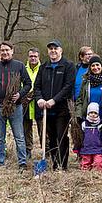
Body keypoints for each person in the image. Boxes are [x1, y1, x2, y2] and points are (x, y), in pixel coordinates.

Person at [0, 41, 31, 169]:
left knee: (19, 136)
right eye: (2, 50)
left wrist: (20, 94)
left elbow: (28, 84)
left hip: (15, 106)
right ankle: (0, 161)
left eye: (7, 50)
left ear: (12, 51)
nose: (4, 52)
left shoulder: (19, 66)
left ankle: (22, 162)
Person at [34, 40, 75, 170]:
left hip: (61, 109)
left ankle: (63, 165)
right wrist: (40, 99)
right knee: (50, 138)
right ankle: (54, 163)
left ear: (61, 50)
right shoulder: (44, 67)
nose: (53, 51)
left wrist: (54, 100)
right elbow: (37, 86)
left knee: (61, 136)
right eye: (50, 48)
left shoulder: (68, 66)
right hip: (46, 109)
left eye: (55, 48)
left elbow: (68, 87)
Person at [79, 102, 102, 172]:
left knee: (98, 163)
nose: (93, 114)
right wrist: (77, 148)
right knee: (85, 164)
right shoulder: (84, 124)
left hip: (98, 150)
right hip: (86, 150)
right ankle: (85, 177)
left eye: (95, 113)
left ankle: (97, 177)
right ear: (88, 113)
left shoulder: (100, 125)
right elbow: (80, 138)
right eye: (91, 112)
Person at [23, 48, 42, 158]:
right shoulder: (23, 69)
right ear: (28, 57)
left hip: (39, 102)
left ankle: (46, 150)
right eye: (31, 56)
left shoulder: (43, 68)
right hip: (26, 103)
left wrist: (34, 95)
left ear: (38, 57)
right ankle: (27, 150)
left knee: (42, 127)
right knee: (26, 128)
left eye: (35, 56)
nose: (33, 58)